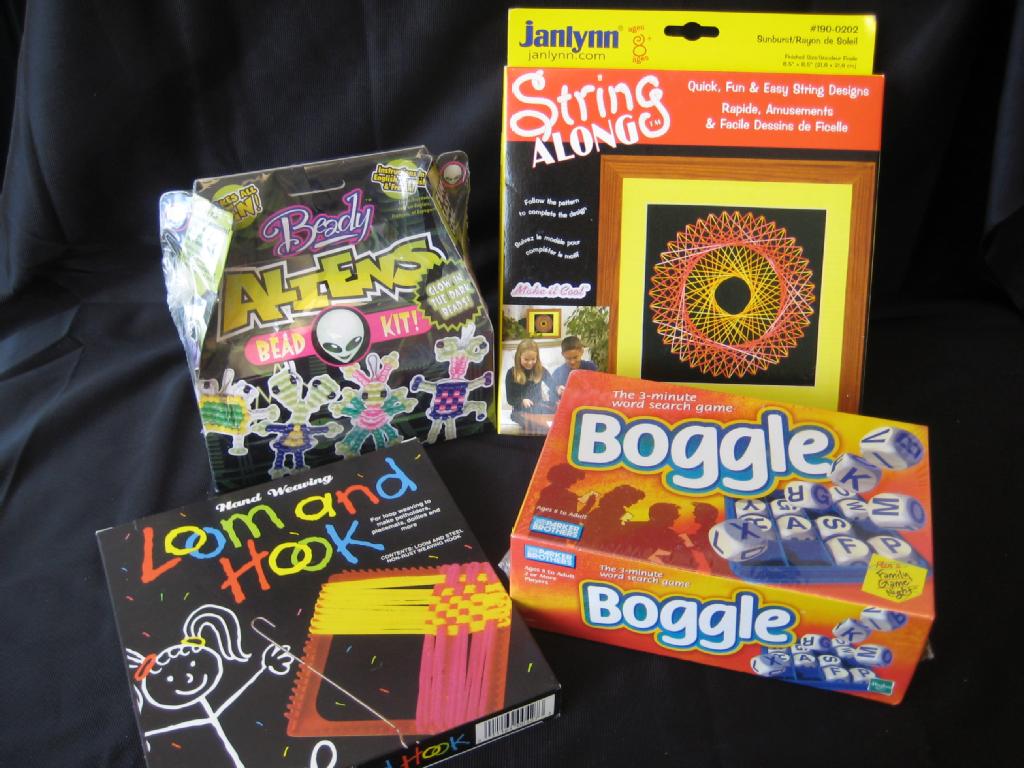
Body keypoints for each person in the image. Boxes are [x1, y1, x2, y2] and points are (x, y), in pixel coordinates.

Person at [505, 339, 556, 427]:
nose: (530, 363)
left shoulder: (541, 370)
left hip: (539, 408)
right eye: (526, 359)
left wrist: (558, 389)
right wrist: (522, 401)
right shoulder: (511, 373)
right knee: (529, 421)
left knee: (557, 411)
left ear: (537, 358)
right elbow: (510, 399)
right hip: (520, 410)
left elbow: (553, 385)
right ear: (519, 357)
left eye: (533, 359)